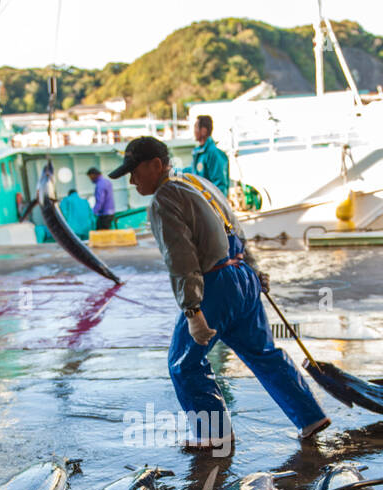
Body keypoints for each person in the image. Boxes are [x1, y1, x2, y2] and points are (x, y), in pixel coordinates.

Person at [110, 136, 328, 451]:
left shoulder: (163, 200)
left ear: (156, 165)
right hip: (242, 275)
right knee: (262, 352)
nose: (132, 181)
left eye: (135, 172)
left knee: (184, 363)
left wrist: (192, 310)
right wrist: (255, 270)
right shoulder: (197, 183)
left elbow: (181, 258)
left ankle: (213, 435)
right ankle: (310, 415)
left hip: (215, 285)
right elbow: (235, 227)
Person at [184, 114, 230, 196]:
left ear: (204, 131)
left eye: (196, 127)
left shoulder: (214, 154)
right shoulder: (199, 154)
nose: (194, 131)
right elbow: (192, 171)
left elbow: (220, 185)